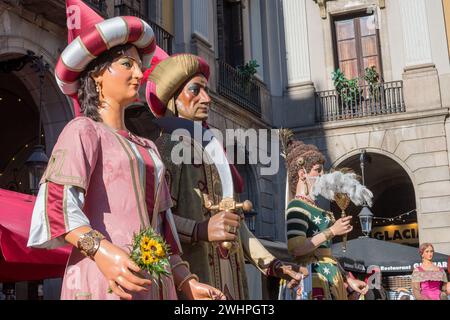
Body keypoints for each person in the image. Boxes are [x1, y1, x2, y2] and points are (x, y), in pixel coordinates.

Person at [27, 0, 224, 300]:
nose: (139, 73)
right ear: (97, 74)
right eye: (126, 64)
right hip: (105, 278)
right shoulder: (83, 131)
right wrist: (103, 252)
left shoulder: (148, 148)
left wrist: (186, 281)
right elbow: (57, 205)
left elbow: (163, 227)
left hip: (156, 284)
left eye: (139, 66)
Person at [145, 54, 308, 299]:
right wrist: (199, 229)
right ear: (174, 100)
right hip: (193, 281)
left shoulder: (213, 149)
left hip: (230, 282)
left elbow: (236, 225)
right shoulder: (167, 147)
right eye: (195, 90)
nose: (207, 99)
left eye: (206, 90)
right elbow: (155, 219)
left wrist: (272, 264)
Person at [284, 140, 369, 300]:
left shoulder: (317, 207)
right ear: (302, 174)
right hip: (313, 278)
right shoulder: (296, 207)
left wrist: (348, 279)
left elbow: (326, 254)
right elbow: (296, 248)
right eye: (318, 170)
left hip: (330, 277)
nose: (323, 175)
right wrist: (332, 231)